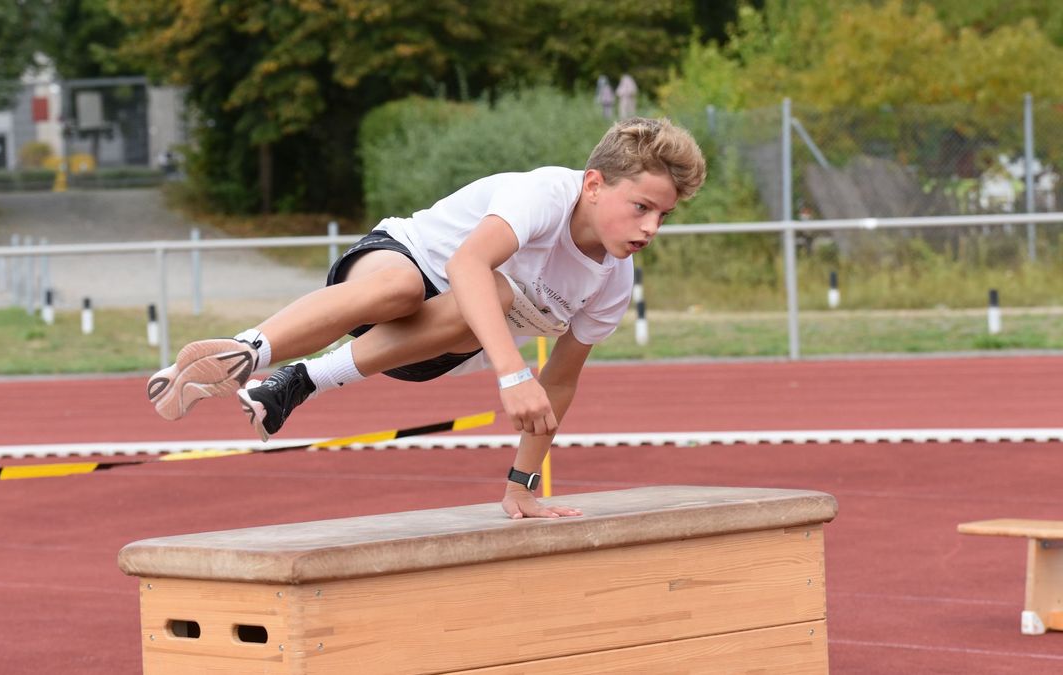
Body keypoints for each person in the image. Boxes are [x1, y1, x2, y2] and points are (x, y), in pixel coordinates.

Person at [147, 116, 706, 519]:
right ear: (594, 185)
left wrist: (522, 483)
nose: (651, 228)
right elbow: (466, 264)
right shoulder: (544, 195)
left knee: (494, 296)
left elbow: (559, 382)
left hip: (432, 347)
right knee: (420, 287)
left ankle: (297, 380)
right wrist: (513, 375)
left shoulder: (612, 281)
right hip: (389, 269)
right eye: (641, 207)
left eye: (664, 215)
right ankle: (249, 352)